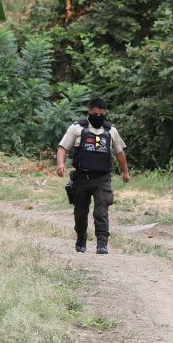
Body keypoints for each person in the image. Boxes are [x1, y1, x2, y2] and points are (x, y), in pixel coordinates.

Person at [56, 97, 129, 254]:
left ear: (105, 113)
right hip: (81, 178)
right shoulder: (77, 128)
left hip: (102, 179)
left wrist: (125, 171)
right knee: (80, 212)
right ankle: (81, 239)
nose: (98, 117)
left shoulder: (111, 131)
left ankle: (102, 243)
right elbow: (63, 147)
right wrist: (60, 164)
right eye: (95, 114)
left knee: (101, 212)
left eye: (102, 114)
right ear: (89, 112)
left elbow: (119, 152)